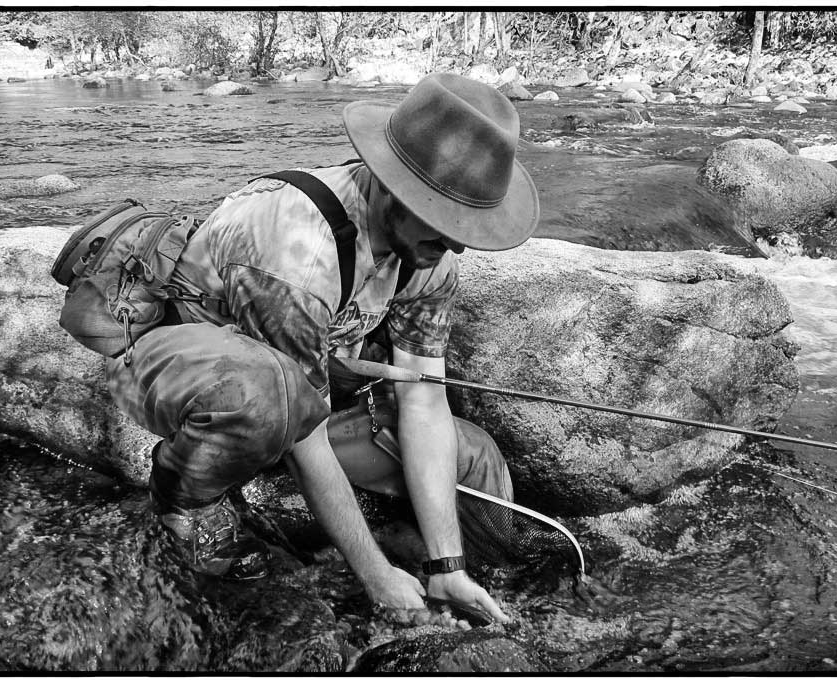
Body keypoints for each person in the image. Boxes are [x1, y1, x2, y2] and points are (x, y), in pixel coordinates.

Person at [105, 72, 539, 623]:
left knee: (470, 453)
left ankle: (476, 594)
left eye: (465, 223)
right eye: (442, 220)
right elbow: (303, 431)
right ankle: (182, 503)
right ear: (390, 183)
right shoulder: (297, 250)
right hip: (186, 380)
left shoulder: (430, 259)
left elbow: (424, 401)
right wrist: (375, 574)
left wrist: (444, 562)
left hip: (306, 396)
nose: (455, 242)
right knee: (267, 396)